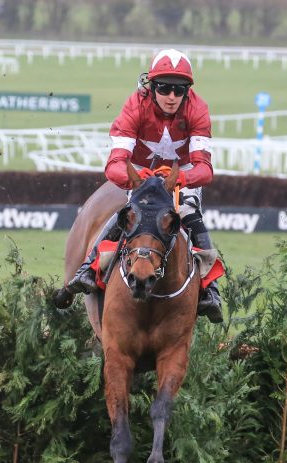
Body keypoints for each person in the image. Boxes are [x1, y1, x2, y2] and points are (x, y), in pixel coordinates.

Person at [66, 48, 223, 323]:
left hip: (180, 174)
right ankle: (88, 268)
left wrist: (180, 178)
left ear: (188, 91)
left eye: (179, 89)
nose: (172, 97)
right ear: (151, 86)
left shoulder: (198, 108)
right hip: (140, 172)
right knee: (129, 214)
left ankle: (210, 288)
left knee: (190, 215)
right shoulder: (135, 106)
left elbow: (204, 169)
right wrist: (141, 179)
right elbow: (114, 165)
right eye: (164, 88)